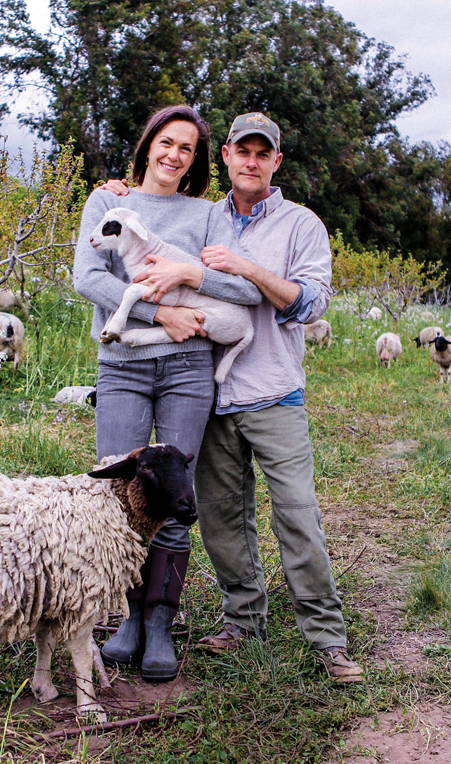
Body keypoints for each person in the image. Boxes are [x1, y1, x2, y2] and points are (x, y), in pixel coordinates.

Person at [98, 112, 363, 683]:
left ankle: (327, 638)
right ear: (224, 158)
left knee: (296, 514)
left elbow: (309, 305)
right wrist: (114, 193)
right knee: (220, 517)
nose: (251, 161)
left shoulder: (301, 225)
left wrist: (242, 267)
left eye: (262, 154)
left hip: (272, 390)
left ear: (275, 163)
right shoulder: (204, 215)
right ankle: (243, 620)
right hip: (211, 391)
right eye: (241, 151)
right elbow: (147, 221)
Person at [71, 105, 262, 683]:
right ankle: (125, 619)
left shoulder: (206, 216)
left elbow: (238, 284)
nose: (174, 154)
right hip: (123, 366)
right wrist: (164, 312)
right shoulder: (107, 204)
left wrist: (186, 281)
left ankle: (160, 623)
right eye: (167, 142)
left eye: (187, 149)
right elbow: (88, 278)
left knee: (175, 498)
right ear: (148, 144)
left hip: (187, 371)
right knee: (121, 496)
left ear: (195, 163)